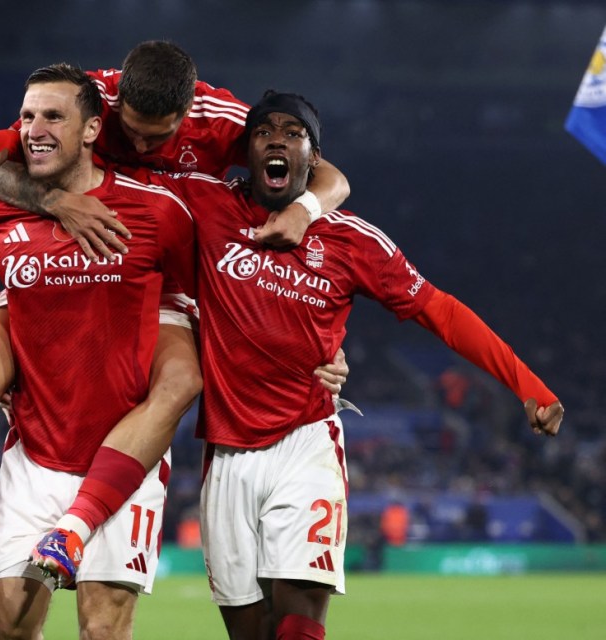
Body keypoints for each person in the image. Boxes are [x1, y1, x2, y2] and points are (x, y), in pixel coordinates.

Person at [0, 40, 350, 602]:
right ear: (104, 114)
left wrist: (310, 334)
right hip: (55, 260)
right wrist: (58, 203)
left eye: (156, 137)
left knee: (183, 378)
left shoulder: (221, 121)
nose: (137, 146)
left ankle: (76, 528)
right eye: (126, 130)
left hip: (147, 265)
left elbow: (323, 174)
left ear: (188, 113)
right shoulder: (79, 99)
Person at [143, 90, 563, 640]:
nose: (277, 138)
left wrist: (525, 383)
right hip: (226, 454)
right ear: (246, 150)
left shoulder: (350, 240)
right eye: (264, 130)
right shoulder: (208, 204)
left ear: (313, 158)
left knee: (298, 625)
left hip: (306, 442)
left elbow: (439, 310)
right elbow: (129, 165)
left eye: (293, 133)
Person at [0, 62, 200, 638]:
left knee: (102, 630)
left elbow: (205, 293)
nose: (36, 127)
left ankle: (78, 525)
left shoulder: (158, 211)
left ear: (92, 130)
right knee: (9, 627)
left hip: (123, 456)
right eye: (27, 116)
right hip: (35, 451)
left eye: (54, 116)